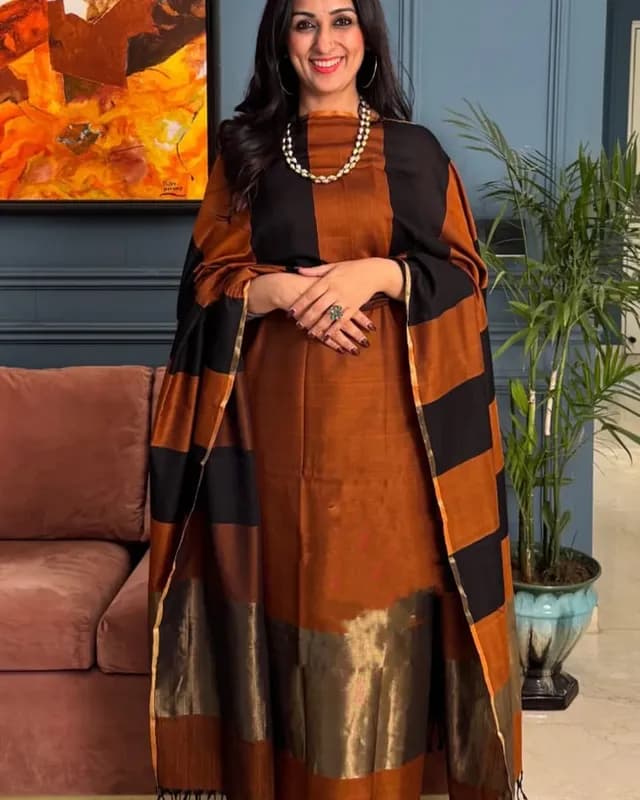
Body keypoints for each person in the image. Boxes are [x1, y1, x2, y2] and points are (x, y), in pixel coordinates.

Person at [147, 1, 525, 799]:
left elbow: (464, 276)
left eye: (343, 20)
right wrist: (278, 289)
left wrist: (379, 275)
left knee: (375, 636)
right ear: (280, 41)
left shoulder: (415, 155)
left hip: (392, 447)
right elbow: (206, 284)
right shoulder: (243, 150)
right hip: (269, 451)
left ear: (368, 38)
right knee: (284, 618)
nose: (326, 42)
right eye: (305, 23)